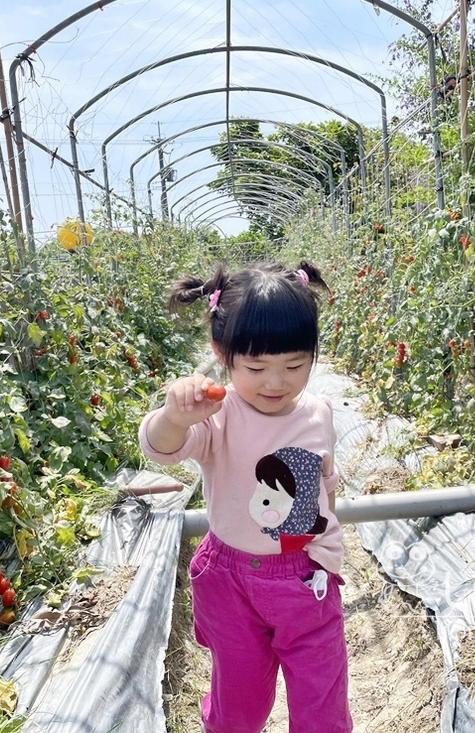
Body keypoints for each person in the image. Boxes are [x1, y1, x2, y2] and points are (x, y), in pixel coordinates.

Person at [139, 261, 352, 733]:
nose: (276, 382)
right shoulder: (217, 415)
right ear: (222, 353)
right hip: (231, 583)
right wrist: (175, 416)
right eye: (257, 367)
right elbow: (162, 448)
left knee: (322, 707)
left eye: (295, 365)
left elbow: (325, 487)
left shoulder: (318, 413)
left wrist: (324, 554)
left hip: (305, 581)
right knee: (239, 705)